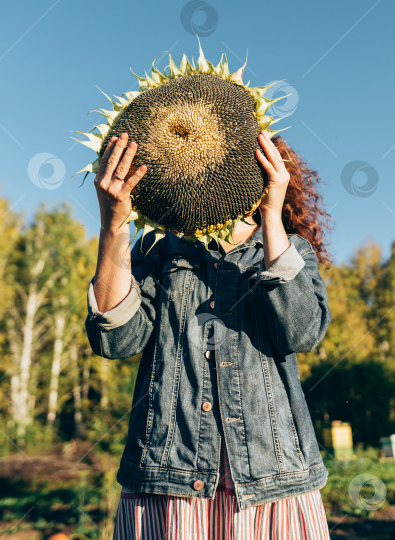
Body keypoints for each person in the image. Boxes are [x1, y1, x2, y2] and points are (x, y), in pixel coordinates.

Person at [85, 130, 334, 539]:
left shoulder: (290, 250)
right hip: (168, 485)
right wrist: (113, 225)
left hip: (273, 484)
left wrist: (271, 217)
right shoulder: (158, 253)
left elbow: (302, 332)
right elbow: (114, 340)